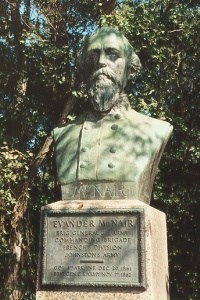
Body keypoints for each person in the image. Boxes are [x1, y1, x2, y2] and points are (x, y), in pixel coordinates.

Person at [52, 27, 173, 203]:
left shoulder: (155, 130)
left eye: (112, 55)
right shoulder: (63, 134)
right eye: (93, 55)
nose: (101, 62)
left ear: (130, 69)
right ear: (84, 69)